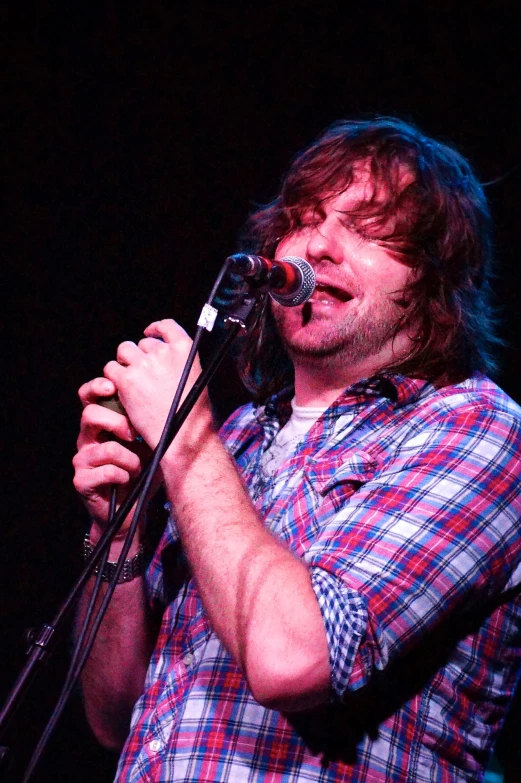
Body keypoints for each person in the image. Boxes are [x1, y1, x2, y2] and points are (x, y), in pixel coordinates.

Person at [73, 117, 521, 783]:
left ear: (434, 283)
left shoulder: (479, 428)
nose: (318, 244)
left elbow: (292, 659)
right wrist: (119, 531)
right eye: (306, 216)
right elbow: (114, 712)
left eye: (367, 227)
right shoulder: (243, 436)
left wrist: (188, 446)